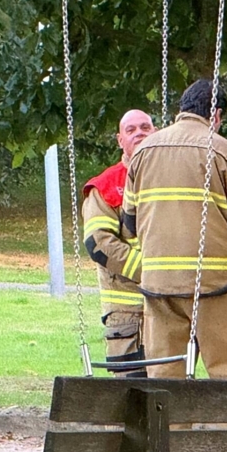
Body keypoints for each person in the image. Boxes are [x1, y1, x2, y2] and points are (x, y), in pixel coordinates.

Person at [123, 79, 227, 452]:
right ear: (217, 115)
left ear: (181, 108)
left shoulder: (144, 152)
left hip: (158, 288)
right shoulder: (225, 151)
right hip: (215, 286)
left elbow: (130, 223)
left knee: (166, 378)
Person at [81, 109, 153, 378]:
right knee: (129, 397)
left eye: (145, 127)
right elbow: (99, 244)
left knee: (171, 391)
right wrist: (151, 272)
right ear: (119, 140)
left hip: (168, 308)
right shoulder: (105, 185)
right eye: (131, 130)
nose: (140, 133)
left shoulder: (168, 177)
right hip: (127, 314)